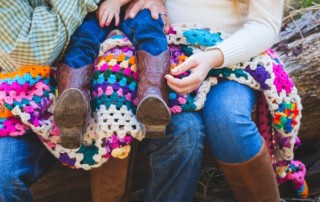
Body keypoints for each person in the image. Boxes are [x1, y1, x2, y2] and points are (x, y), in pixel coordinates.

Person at [54, 0, 172, 149]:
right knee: (82, 41)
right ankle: (72, 105)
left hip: (136, 6)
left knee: (150, 31)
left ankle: (153, 96)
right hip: (96, 13)